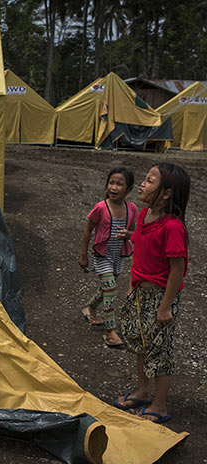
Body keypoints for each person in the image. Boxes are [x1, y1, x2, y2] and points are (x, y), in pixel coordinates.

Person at [113, 163, 190, 424]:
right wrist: (131, 286)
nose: (143, 184)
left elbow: (177, 269)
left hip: (160, 297)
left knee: (160, 351)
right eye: (145, 179)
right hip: (139, 294)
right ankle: (143, 391)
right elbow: (144, 248)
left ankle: (159, 405)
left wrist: (165, 306)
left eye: (149, 180)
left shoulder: (173, 227)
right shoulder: (145, 215)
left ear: (166, 193)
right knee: (141, 345)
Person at [79, 167, 138, 347]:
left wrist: (128, 235)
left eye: (119, 184)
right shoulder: (100, 207)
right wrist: (83, 256)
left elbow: (134, 232)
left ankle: (89, 308)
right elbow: (88, 230)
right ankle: (110, 332)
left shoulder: (132, 209)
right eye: (111, 183)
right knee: (111, 288)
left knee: (106, 289)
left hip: (118, 256)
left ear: (128, 189)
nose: (113, 187)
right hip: (102, 256)